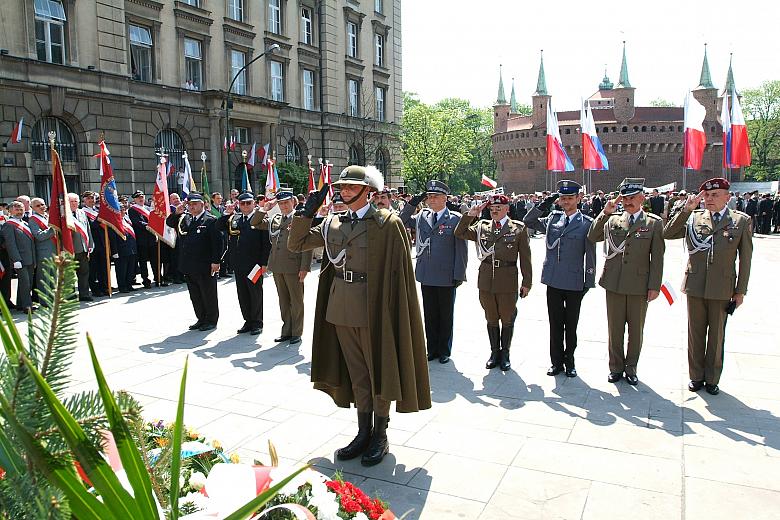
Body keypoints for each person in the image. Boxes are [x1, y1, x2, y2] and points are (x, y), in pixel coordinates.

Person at [287, 165, 430, 467]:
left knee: (379, 370)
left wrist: (392, 312)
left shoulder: (386, 223)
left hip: (374, 308)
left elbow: (399, 274)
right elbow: (296, 244)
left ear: (368, 191)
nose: (345, 191)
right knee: (358, 374)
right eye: (343, 187)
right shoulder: (332, 223)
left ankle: (380, 434)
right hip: (340, 308)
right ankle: (363, 432)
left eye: (352, 187)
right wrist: (306, 212)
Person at [663, 178, 752, 395]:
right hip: (695, 284)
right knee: (695, 333)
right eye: (707, 196)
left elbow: (746, 260)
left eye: (715, 195)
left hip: (722, 287)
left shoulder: (740, 222)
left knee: (717, 335)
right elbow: (668, 233)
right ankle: (696, 376)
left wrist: (740, 291)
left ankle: (712, 378)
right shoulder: (694, 218)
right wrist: (686, 210)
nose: (710, 199)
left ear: (727, 197)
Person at [587, 178, 665, 385]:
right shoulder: (613, 220)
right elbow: (593, 236)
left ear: (642, 198)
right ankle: (615, 367)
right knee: (615, 328)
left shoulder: (653, 223)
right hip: (614, 282)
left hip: (639, 285)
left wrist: (654, 286)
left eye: (632, 198)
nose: (628, 202)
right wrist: (606, 213)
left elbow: (657, 258)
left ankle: (631, 367)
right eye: (625, 198)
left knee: (636, 330)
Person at [524, 181, 596, 377]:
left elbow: (590, 254)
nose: (566, 202)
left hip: (574, 282)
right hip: (554, 279)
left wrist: (588, 281)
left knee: (571, 324)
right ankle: (556, 362)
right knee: (555, 323)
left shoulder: (587, 224)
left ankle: (569, 361)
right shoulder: (553, 219)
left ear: (578, 199)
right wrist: (544, 203)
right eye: (563, 198)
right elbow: (529, 221)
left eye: (570, 198)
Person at [454, 193, 532, 371]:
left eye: (498, 208)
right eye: (492, 209)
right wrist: (470, 215)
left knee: (507, 317)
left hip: (507, 279)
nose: (495, 211)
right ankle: (494, 352)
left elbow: (525, 258)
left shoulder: (518, 229)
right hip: (487, 279)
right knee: (490, 317)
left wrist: (527, 282)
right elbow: (460, 233)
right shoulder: (482, 226)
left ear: (507, 209)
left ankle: (505, 353)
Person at [400, 180, 468, 364]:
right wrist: (413, 203)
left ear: (445, 198)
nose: (431, 199)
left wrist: (459, 274)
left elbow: (461, 249)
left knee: (445, 314)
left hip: (446, 275)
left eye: (435, 196)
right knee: (429, 314)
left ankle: (444, 350)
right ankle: (431, 349)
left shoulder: (455, 218)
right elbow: (402, 220)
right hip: (426, 272)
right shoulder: (422, 216)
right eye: (429, 196)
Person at [251, 191, 312, 344]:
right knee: (283, 301)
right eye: (281, 203)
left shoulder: (300, 218)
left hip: (294, 266)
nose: (284, 206)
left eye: (286, 202)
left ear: (293, 201)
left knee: (296, 301)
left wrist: (305, 267)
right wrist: (264, 209)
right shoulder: (275, 219)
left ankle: (296, 332)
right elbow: (254, 223)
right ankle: (287, 331)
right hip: (277, 266)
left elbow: (307, 244)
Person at [166, 193, 222, 331]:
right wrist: (177, 212)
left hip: (205, 264)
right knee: (195, 295)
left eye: (195, 204)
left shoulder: (210, 220)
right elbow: (170, 223)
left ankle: (211, 320)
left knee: (208, 294)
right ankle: (201, 318)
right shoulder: (185, 219)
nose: (192, 207)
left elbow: (218, 243)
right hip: (189, 264)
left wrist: (216, 261)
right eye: (190, 205)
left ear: (202, 204)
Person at [218, 192, 271, 335]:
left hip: (255, 265)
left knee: (255, 293)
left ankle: (257, 322)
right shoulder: (234, 219)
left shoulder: (260, 218)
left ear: (254, 203)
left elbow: (266, 243)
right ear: (239, 205)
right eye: (242, 203)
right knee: (242, 293)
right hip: (238, 263)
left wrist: (264, 263)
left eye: (248, 203)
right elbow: (219, 227)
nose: (246, 206)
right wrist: (227, 213)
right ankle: (248, 320)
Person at [2, 201, 36, 313]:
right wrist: (16, 259)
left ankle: (21, 304)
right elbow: (10, 244)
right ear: (10, 211)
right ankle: (27, 306)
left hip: (30, 258)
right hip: (20, 259)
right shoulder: (9, 224)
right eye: (16, 209)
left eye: (21, 209)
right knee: (25, 283)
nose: (19, 211)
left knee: (28, 282)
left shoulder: (25, 224)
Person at [27, 198, 57, 299]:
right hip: (43, 253)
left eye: (43, 204)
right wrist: (53, 229)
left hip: (54, 251)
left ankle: (53, 300)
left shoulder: (47, 216)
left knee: (53, 278)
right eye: (38, 206)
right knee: (44, 279)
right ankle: (44, 302)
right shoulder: (33, 219)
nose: (41, 207)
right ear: (32, 208)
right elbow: (39, 236)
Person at [69, 193, 94, 302]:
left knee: (84, 272)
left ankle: (84, 294)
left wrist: (91, 244)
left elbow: (87, 230)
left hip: (83, 248)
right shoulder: (64, 214)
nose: (74, 204)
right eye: (72, 201)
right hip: (70, 249)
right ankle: (70, 295)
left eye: (76, 201)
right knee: (69, 274)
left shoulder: (82, 213)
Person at [129, 190, 156, 288]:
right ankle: (146, 280)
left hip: (152, 238)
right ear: (135, 199)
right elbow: (137, 222)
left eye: (142, 197)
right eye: (138, 197)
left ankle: (157, 277)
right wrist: (149, 225)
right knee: (143, 261)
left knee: (154, 260)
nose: (141, 199)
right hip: (142, 240)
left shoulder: (148, 209)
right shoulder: (132, 210)